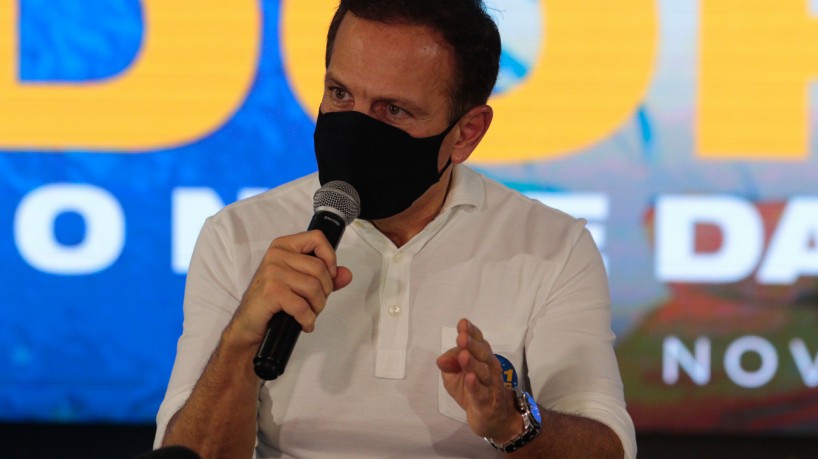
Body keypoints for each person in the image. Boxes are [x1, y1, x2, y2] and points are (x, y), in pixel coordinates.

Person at [154, 0, 636, 457]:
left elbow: (608, 447)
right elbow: (181, 458)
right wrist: (240, 340)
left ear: (467, 132)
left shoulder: (552, 247)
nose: (356, 131)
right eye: (340, 94)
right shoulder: (237, 235)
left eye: (394, 110)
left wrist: (513, 421)